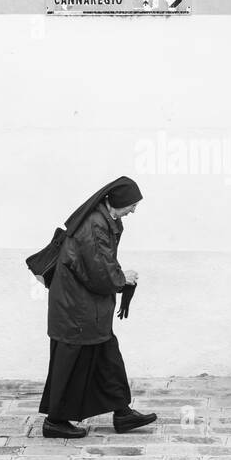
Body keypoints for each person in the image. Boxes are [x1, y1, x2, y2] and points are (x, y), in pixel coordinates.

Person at [38, 176, 157, 439]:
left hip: (87, 306)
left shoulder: (105, 220)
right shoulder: (95, 224)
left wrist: (118, 275)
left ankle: (122, 413)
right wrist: (121, 278)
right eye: (131, 205)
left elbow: (101, 261)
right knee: (70, 362)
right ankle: (55, 421)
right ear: (117, 202)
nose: (134, 210)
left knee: (108, 357)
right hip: (76, 309)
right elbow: (98, 269)